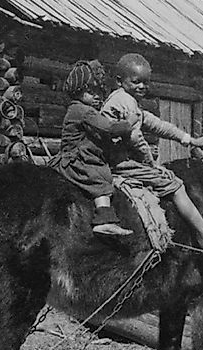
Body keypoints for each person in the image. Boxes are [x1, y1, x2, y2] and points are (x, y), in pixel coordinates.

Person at [101, 53, 203, 251]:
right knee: (175, 185)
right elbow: (135, 138)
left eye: (146, 82)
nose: (142, 87)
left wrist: (189, 140)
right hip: (120, 163)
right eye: (136, 82)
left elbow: (157, 125)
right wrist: (151, 165)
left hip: (117, 160)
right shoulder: (126, 102)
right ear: (119, 81)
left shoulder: (123, 100)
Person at [50, 60, 140, 236]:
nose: (96, 96)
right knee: (99, 178)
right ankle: (104, 219)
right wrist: (129, 122)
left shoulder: (80, 109)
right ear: (78, 92)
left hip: (77, 155)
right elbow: (109, 128)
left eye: (98, 92)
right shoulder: (83, 111)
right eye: (90, 92)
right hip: (76, 160)